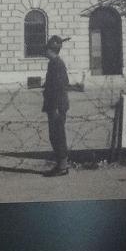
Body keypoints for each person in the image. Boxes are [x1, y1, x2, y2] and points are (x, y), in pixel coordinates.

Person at [41, 35, 70, 177]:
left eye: (46, 49)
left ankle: (62, 166)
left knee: (58, 135)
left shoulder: (57, 64)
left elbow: (61, 85)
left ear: (50, 50)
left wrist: (57, 107)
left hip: (56, 105)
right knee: (55, 135)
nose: (44, 52)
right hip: (54, 105)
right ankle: (61, 164)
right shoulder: (54, 63)